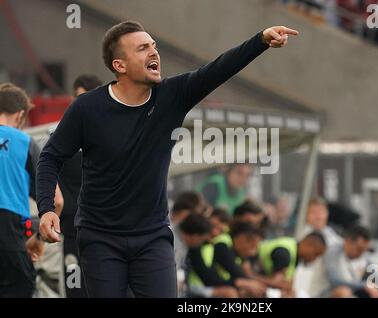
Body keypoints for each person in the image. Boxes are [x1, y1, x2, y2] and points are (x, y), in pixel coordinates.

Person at [36, 20, 299, 298]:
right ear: (120, 65)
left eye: (154, 46)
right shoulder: (87, 108)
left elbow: (218, 69)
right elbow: (51, 156)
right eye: (142, 48)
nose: (153, 52)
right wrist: (46, 208)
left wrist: (260, 40)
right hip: (100, 237)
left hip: (152, 236)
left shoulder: (172, 96)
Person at [0, 83, 63, 297]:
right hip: (9, 238)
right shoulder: (25, 142)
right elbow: (57, 201)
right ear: (19, 116)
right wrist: (38, 238)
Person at [58, 74, 102, 298]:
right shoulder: (62, 138)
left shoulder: (111, 137)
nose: (78, 103)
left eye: (83, 97)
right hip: (73, 234)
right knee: (75, 288)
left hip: (105, 232)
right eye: (76, 97)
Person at [313, 225, 378, 298]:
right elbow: (335, 280)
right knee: (343, 292)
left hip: (352, 291)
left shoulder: (362, 257)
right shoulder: (333, 253)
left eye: (365, 249)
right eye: (359, 249)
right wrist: (364, 285)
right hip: (323, 293)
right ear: (347, 242)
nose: (362, 253)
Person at [251, 232, 327, 296]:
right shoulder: (285, 254)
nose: (314, 259)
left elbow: (288, 283)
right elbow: (277, 283)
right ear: (309, 246)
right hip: (251, 267)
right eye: (316, 254)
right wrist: (250, 275)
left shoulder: (295, 253)